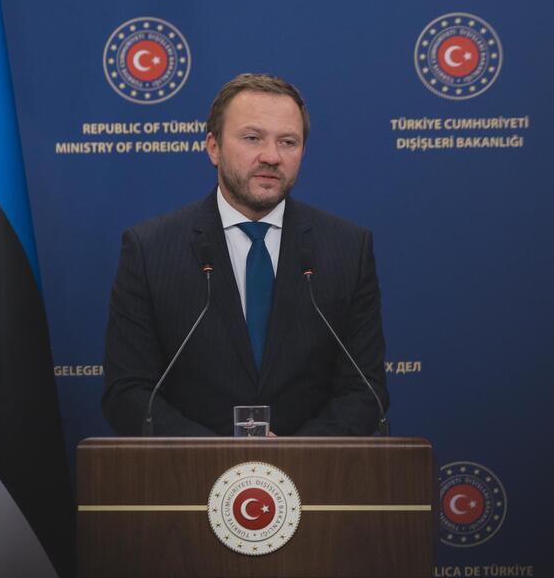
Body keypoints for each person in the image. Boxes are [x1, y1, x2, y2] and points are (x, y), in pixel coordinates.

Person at [102, 73, 389, 436]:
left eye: (288, 142)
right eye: (252, 138)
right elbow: (127, 391)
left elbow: (363, 390)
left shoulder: (348, 248)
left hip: (313, 481)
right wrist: (226, 461)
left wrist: (293, 458)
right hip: (189, 481)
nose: (271, 156)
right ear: (213, 147)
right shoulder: (150, 249)